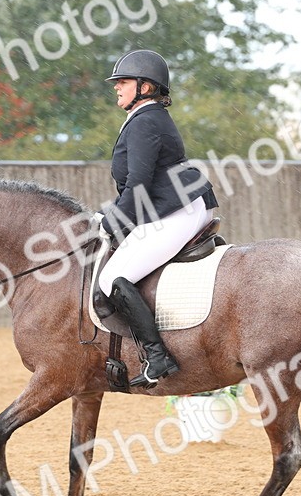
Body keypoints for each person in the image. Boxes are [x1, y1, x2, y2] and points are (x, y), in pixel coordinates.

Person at [93, 49, 219, 388]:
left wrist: (111, 223)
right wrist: (111, 214)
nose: (116, 88)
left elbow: (138, 185)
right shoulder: (145, 118)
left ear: (145, 87)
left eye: (123, 82)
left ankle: (157, 355)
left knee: (112, 278)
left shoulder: (146, 121)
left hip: (177, 211)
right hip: (172, 205)